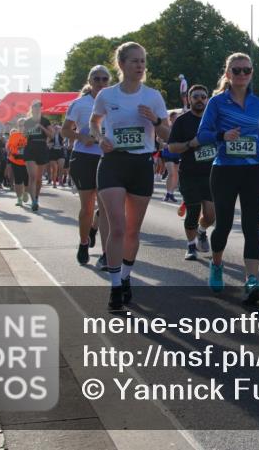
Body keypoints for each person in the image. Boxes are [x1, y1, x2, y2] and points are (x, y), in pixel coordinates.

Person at [90, 42, 170, 312]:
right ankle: (114, 286)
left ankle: (125, 278)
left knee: (133, 230)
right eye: (134, 61)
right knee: (118, 227)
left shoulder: (153, 97)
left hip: (141, 164)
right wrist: (100, 138)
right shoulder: (106, 95)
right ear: (121, 64)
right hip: (113, 162)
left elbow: (168, 136)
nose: (140, 66)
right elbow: (94, 121)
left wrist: (156, 122)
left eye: (143, 61)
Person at [197, 54, 259, 301]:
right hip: (225, 170)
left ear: (251, 72)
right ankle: (217, 264)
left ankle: (251, 279)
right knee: (225, 224)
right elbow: (203, 134)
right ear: (228, 74)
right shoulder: (217, 103)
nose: (241, 74)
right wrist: (222, 136)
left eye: (246, 70)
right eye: (236, 70)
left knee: (252, 227)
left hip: (252, 171)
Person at [63, 66, 112, 268]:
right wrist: (81, 136)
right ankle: (84, 242)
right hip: (84, 157)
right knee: (87, 207)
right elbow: (66, 130)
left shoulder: (115, 101)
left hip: (108, 158)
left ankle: (107, 253)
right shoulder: (80, 104)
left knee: (107, 208)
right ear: (90, 81)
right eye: (97, 79)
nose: (101, 82)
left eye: (104, 79)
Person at [167, 85, 215, 261]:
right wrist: (190, 144)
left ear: (207, 99)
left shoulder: (213, 120)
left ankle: (201, 232)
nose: (200, 100)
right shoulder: (182, 121)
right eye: (196, 97)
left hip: (211, 174)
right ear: (189, 99)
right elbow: (171, 147)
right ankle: (191, 246)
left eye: (203, 96)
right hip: (190, 174)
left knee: (210, 215)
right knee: (193, 212)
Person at [22, 100, 54, 212]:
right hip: (30, 149)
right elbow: (24, 135)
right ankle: (34, 202)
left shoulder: (45, 121)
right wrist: (32, 129)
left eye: (39, 106)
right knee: (32, 176)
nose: (37, 108)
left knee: (39, 179)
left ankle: (36, 198)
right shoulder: (28, 121)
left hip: (42, 148)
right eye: (35, 106)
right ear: (32, 108)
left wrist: (42, 127)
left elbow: (52, 135)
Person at [7, 120, 29, 207]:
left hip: (27, 161)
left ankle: (26, 192)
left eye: (23, 125)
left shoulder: (29, 136)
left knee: (27, 180)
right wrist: (10, 152)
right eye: (20, 125)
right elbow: (9, 147)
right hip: (15, 160)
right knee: (18, 180)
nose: (21, 127)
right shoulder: (13, 135)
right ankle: (19, 199)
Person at [161, 112, 181, 202]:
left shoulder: (181, 127)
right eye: (175, 118)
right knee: (171, 173)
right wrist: (163, 143)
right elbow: (159, 138)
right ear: (171, 118)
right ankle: (168, 193)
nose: (176, 119)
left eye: (177, 118)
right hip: (168, 153)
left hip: (177, 153)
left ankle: (171, 193)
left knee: (176, 174)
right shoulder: (167, 127)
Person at [48, 124, 66, 188]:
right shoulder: (50, 135)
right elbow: (47, 143)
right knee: (54, 169)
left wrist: (60, 131)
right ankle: (54, 183)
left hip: (60, 152)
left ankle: (60, 181)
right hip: (52, 152)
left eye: (57, 128)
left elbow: (65, 139)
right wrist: (50, 144)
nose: (56, 129)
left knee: (61, 168)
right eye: (55, 128)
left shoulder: (61, 134)